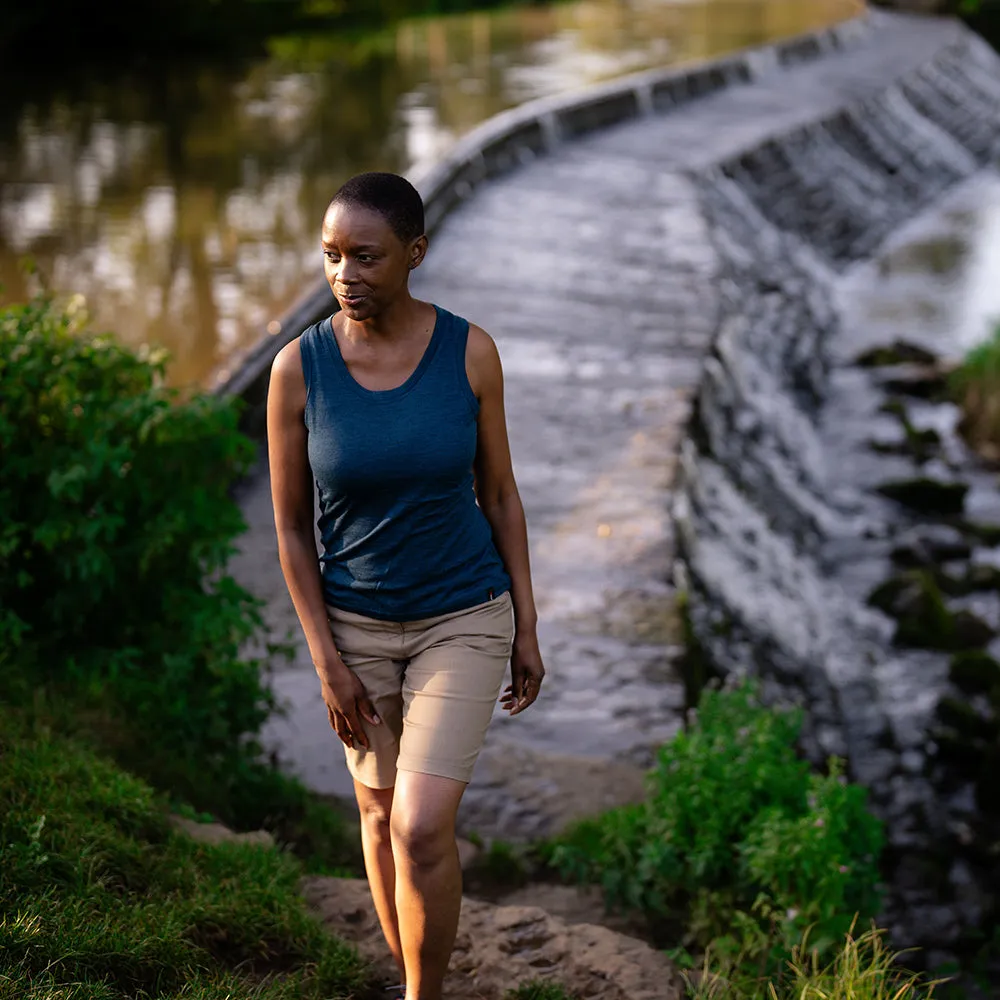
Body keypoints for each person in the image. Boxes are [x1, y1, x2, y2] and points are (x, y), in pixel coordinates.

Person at [266, 171, 545, 1000]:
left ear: (415, 253)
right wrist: (325, 660)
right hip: (353, 626)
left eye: (365, 256)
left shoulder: (470, 351)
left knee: (422, 827)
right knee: (381, 818)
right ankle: (409, 974)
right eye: (331, 256)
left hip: (462, 616)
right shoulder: (298, 369)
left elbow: (500, 493)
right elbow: (287, 528)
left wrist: (527, 626)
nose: (345, 274)